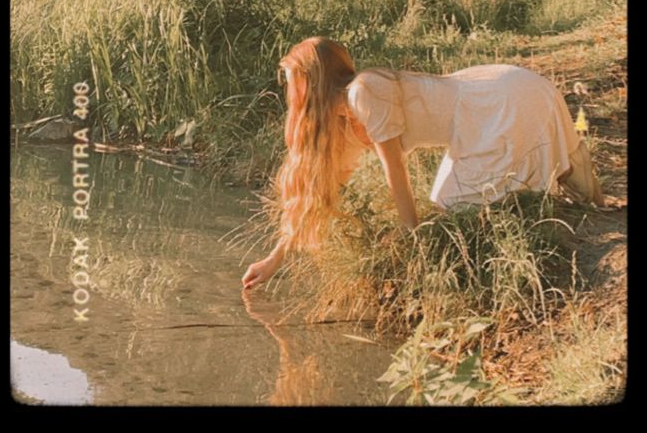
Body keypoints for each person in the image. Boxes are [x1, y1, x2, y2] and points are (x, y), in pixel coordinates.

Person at [241, 36, 604, 290]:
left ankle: (566, 167)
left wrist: (409, 235)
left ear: (311, 80)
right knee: (448, 205)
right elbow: (321, 193)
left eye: (293, 82)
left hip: (499, 100)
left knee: (451, 208)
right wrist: (274, 260)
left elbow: (393, 167)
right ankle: (567, 166)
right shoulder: (342, 122)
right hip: (478, 113)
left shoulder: (363, 92)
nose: (291, 94)